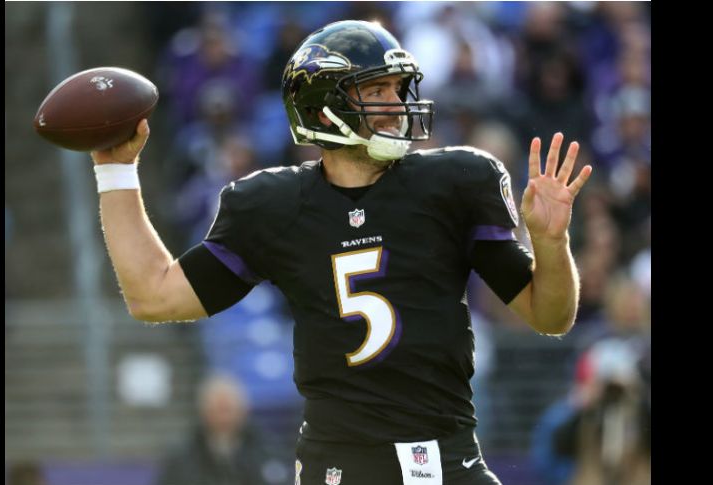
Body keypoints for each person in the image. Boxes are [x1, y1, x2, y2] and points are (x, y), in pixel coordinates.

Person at [90, 20, 591, 485]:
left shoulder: (457, 182)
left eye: (397, 88)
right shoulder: (271, 205)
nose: (396, 103)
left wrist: (550, 243)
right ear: (321, 105)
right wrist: (116, 171)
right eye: (376, 90)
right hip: (341, 467)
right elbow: (153, 296)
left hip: (449, 459)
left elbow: (550, 317)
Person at [154, 374, 269, 485]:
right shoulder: (181, 458)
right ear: (204, 412)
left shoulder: (267, 453)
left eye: (229, 409)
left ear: (243, 411)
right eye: (218, 410)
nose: (224, 418)